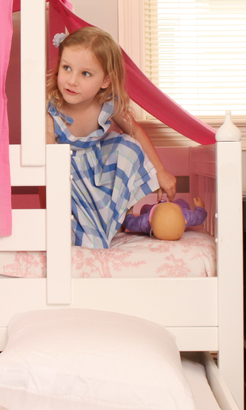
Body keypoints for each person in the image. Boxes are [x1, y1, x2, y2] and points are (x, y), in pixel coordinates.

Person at [46, 26, 175, 248]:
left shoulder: (107, 103)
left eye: (85, 73)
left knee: (128, 145)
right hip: (66, 174)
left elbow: (135, 131)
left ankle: (116, 220)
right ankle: (71, 229)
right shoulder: (52, 106)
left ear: (105, 80)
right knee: (57, 176)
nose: (72, 80)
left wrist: (160, 171)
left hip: (99, 172)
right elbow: (47, 144)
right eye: (67, 68)